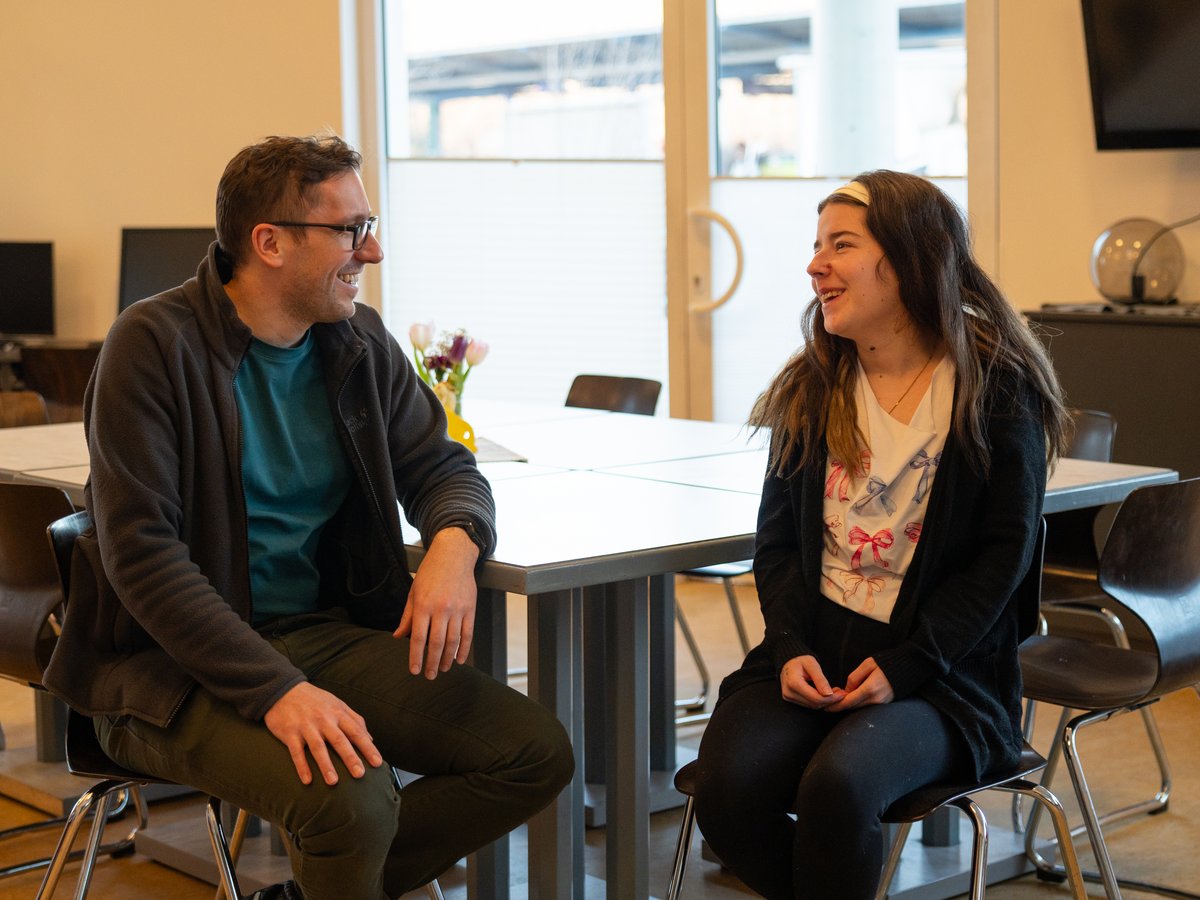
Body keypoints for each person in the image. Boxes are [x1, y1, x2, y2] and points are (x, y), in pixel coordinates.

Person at [44, 133, 574, 900]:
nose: (376, 250)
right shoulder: (152, 346)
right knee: (350, 803)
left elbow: (444, 466)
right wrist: (277, 691)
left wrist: (455, 544)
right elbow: (144, 558)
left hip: (316, 633)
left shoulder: (356, 340)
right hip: (159, 670)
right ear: (270, 243)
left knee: (531, 751)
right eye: (351, 230)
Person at [690, 170, 1070, 899]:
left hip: (943, 677)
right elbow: (775, 544)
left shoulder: (993, 386)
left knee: (839, 787)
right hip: (812, 657)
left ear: (907, 258)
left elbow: (1005, 554)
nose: (814, 265)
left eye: (840, 245)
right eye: (815, 245)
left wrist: (910, 664)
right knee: (724, 788)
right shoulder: (813, 385)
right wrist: (792, 646)